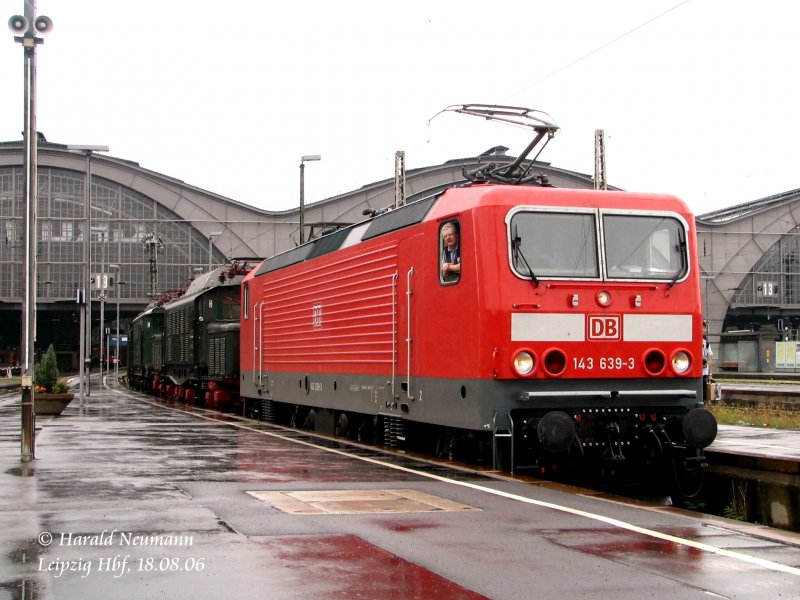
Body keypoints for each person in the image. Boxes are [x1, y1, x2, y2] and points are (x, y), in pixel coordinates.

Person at [703, 320, 714, 401]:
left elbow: (710, 359)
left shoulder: (706, 343)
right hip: (696, 372)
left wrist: (710, 374)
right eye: (702, 327)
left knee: (704, 390)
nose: (703, 330)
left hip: (704, 372)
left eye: (704, 328)